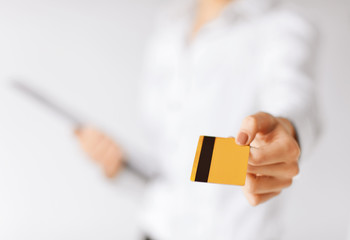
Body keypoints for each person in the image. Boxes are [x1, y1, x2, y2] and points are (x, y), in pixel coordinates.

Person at [75, 0, 319, 239]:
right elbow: (176, 166)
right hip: (154, 231)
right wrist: (119, 166)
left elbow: (295, 102)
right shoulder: (169, 27)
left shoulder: (280, 24)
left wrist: (288, 131)